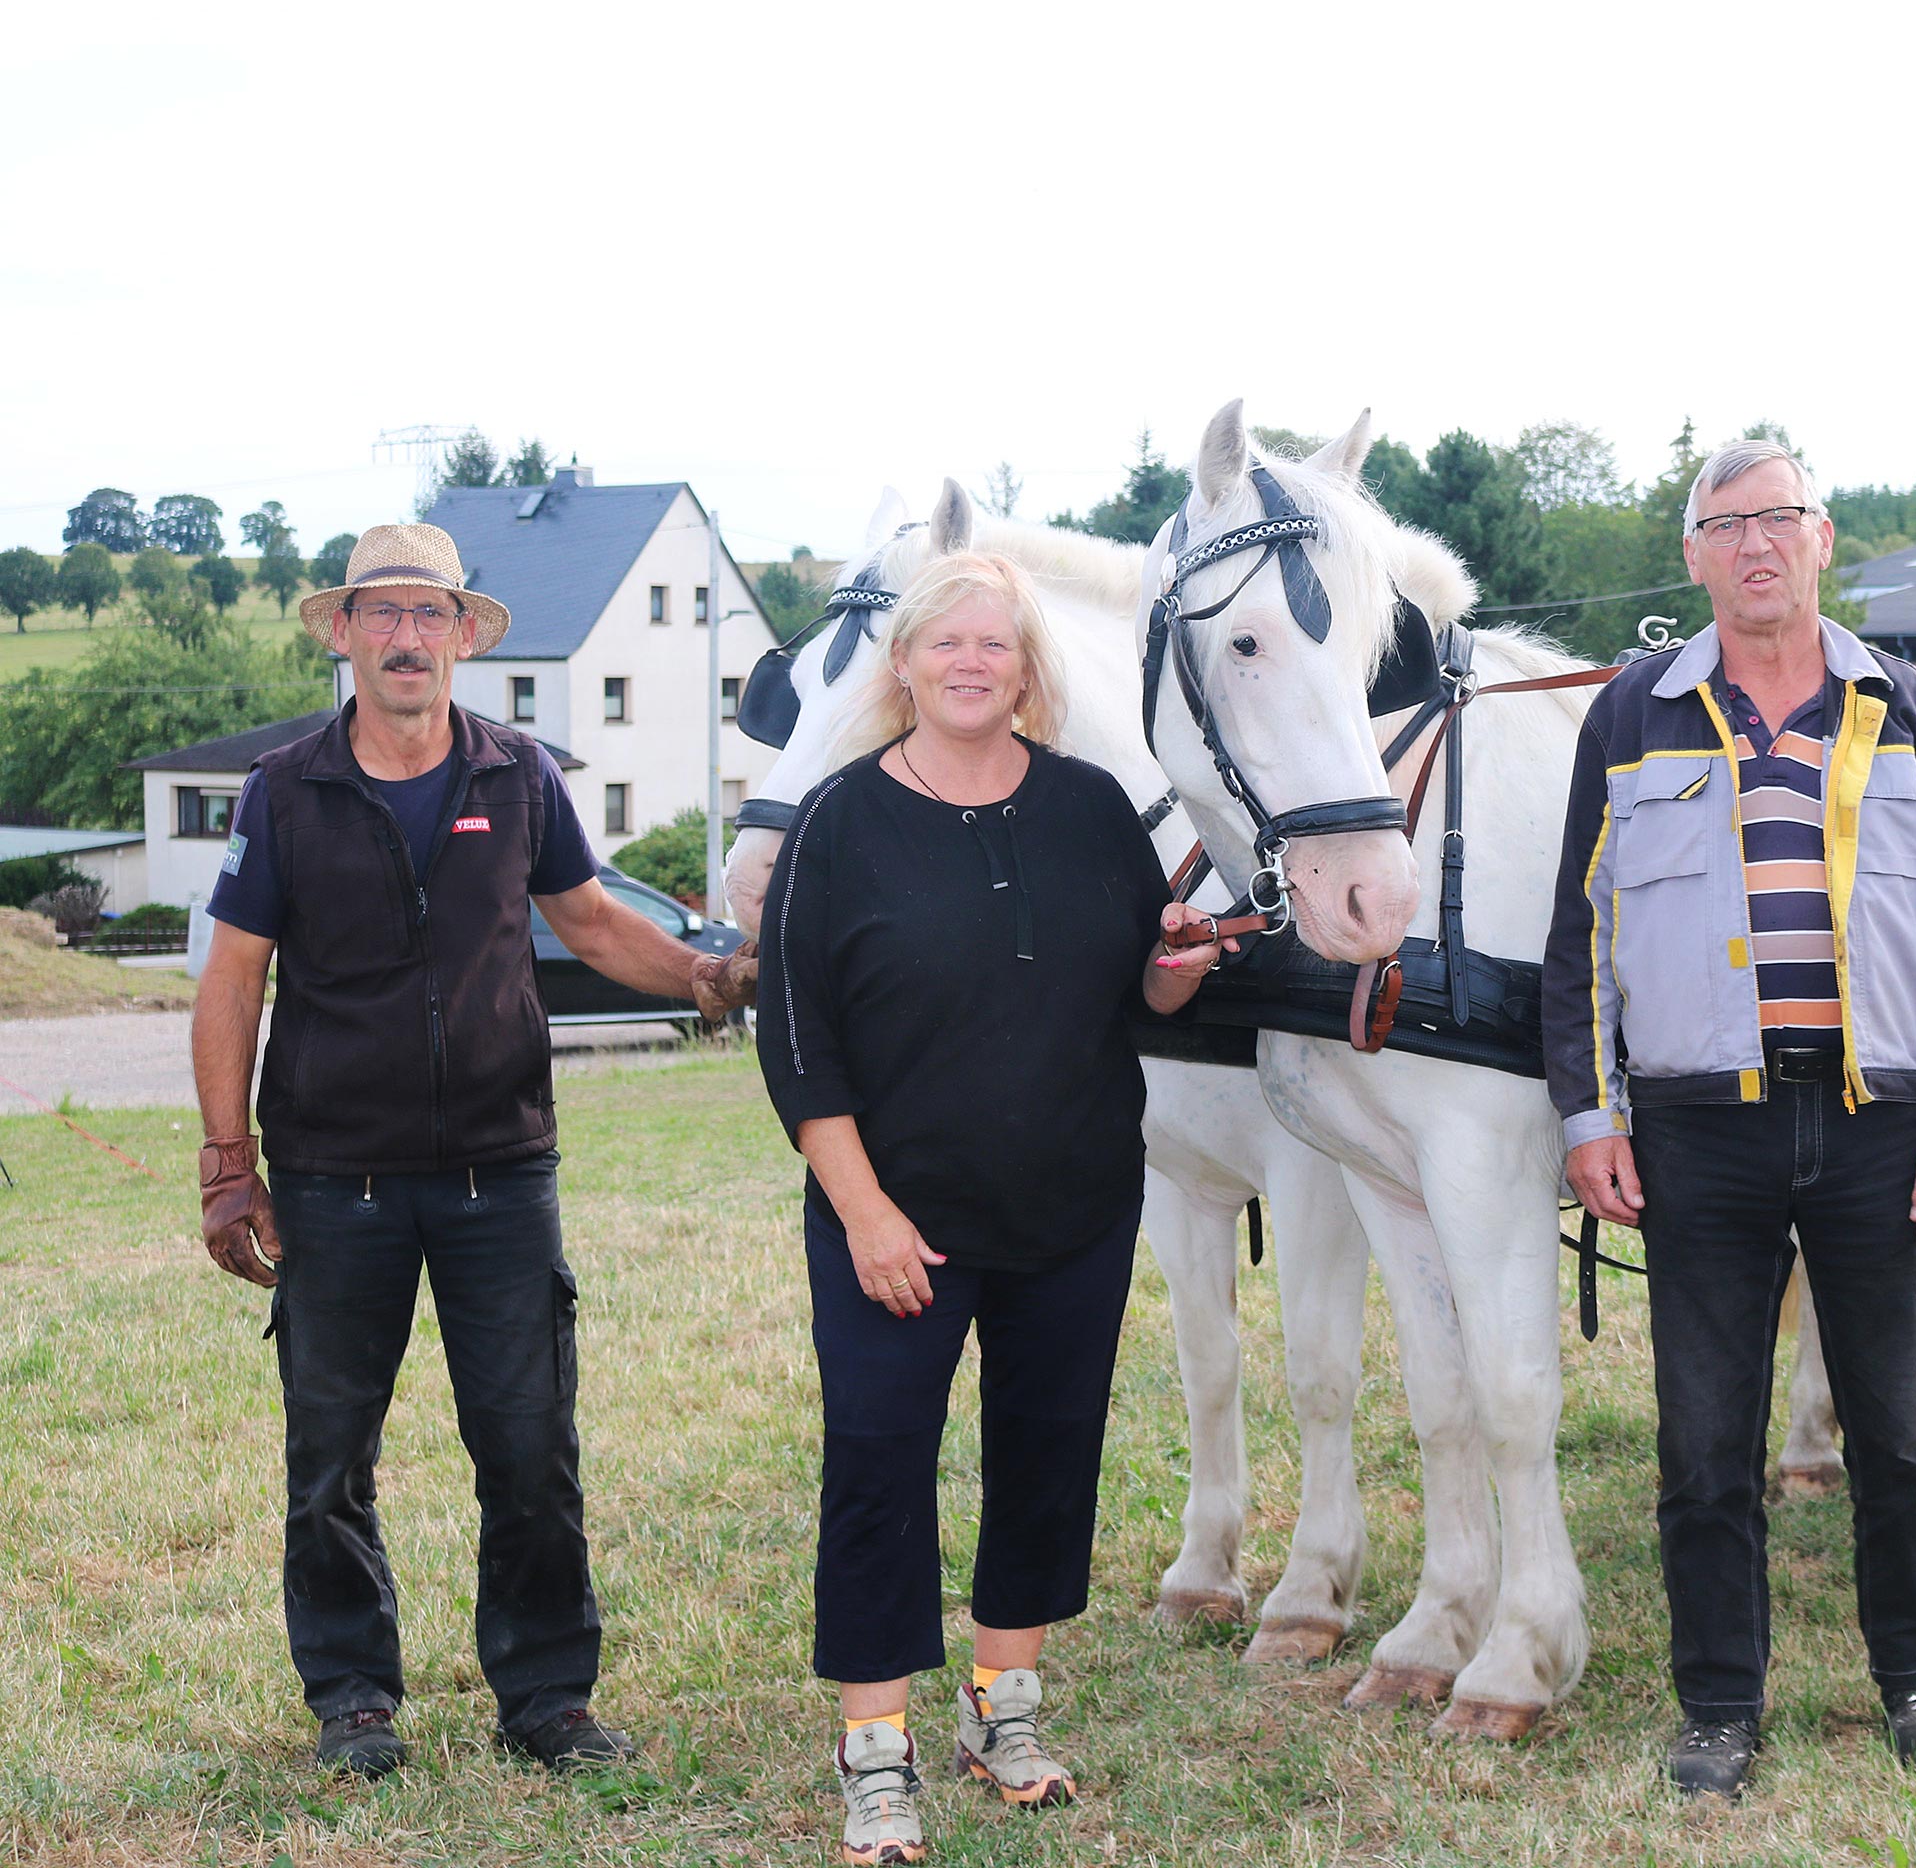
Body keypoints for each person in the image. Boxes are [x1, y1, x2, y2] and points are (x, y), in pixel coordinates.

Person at [192, 523, 757, 1778]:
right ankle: (352, 1696)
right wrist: (229, 1162)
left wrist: (711, 978)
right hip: (338, 1181)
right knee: (329, 1456)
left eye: (426, 613)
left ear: (461, 633)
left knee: (530, 1446)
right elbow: (233, 979)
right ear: (343, 633)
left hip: (501, 1173)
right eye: (380, 613)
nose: (405, 636)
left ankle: (548, 1697)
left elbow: (592, 919)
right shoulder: (285, 789)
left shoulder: (521, 777)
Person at [1541, 439, 1916, 1800]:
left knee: (1899, 1428)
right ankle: (1718, 1707)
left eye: (1780, 518)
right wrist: (1591, 1117)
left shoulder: (1911, 709)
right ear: (1693, 557)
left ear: (1823, 539)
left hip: (1876, 1124)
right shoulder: (1631, 717)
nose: (1756, 544)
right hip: (1700, 1133)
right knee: (1703, 1440)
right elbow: (1579, 933)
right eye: (1726, 523)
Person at [755, 548, 1237, 1866]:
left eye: (998, 645)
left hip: (1072, 1210)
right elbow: (798, 1047)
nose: (973, 663)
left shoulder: (1090, 809)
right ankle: (876, 1751)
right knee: (876, 1470)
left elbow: (1143, 992)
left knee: (1047, 1454)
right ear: (904, 664)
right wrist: (863, 1215)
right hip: (895, 1224)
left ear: (1028, 671)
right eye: (948, 643)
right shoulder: (838, 827)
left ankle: (1002, 1706)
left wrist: (1180, 960)